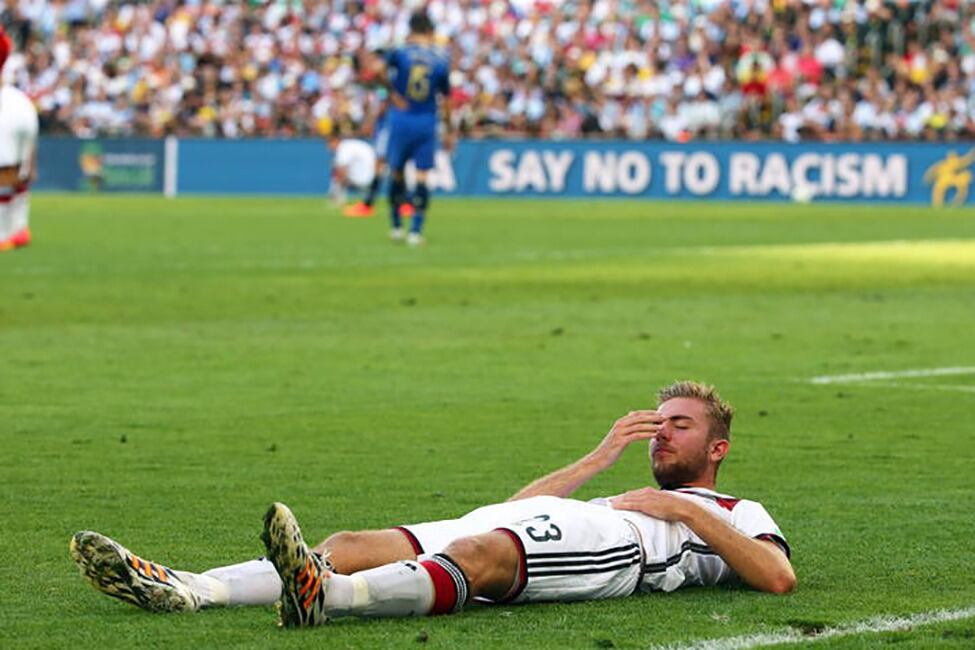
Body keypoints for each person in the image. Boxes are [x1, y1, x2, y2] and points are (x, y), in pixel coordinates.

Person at [70, 381, 796, 627]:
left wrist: (684, 512)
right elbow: (511, 509)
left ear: (716, 448)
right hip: (567, 519)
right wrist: (598, 459)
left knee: (478, 558)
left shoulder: (735, 506)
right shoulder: (620, 484)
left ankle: (331, 601)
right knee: (355, 540)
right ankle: (191, 588)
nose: (662, 433)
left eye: (680, 425)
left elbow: (776, 577)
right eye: (657, 422)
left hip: (620, 551)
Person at [381, 11, 451, 246]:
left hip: (401, 117)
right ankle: (416, 231)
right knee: (422, 176)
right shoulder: (440, 58)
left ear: (411, 29)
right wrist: (450, 129)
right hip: (426, 120)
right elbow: (446, 98)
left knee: (397, 171)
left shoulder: (400, 52)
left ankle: (396, 226)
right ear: (431, 32)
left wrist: (392, 94)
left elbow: (376, 69)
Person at [0, 26, 38, 252]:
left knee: (8, 176)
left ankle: (10, 231)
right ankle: (17, 228)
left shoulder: (16, 104)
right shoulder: (21, 102)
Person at [326, 131, 377, 209]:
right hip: (374, 176)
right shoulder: (349, 145)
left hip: (364, 177)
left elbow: (341, 171)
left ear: (336, 141)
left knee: (337, 173)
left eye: (329, 144)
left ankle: (337, 200)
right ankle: (365, 198)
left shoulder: (343, 148)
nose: (328, 147)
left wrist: (336, 188)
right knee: (339, 173)